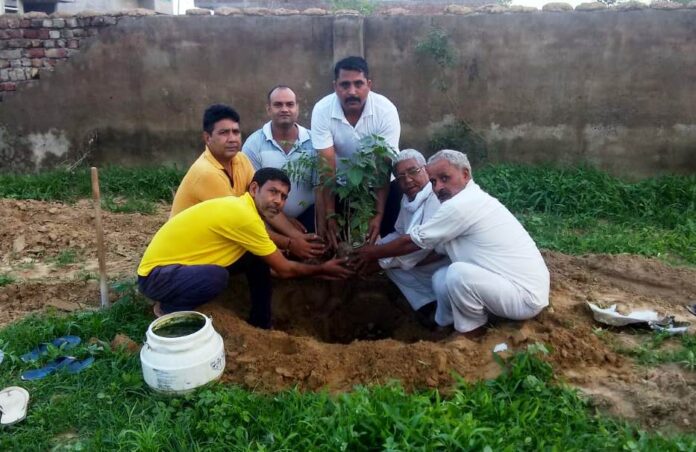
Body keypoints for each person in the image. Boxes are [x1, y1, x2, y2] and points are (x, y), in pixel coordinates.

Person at [356, 150, 549, 336]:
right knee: (442, 277)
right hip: (504, 283)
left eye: (445, 178)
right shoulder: (462, 199)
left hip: (525, 296)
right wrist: (376, 253)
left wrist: (370, 254)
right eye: (434, 181)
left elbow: (412, 243)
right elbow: (408, 237)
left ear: (465, 175)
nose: (438, 187)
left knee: (457, 274)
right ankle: (444, 325)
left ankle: (472, 330)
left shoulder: (460, 205)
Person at [138, 168, 353, 329]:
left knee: (256, 258)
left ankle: (261, 322)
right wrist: (323, 269)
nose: (278, 201)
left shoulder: (244, 210)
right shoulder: (244, 217)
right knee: (217, 277)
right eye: (273, 192)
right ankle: (169, 310)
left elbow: (273, 263)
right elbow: (284, 269)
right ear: (254, 188)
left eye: (283, 196)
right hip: (155, 277)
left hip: (177, 268)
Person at [311, 56, 401, 249]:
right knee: (336, 239)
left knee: (383, 236)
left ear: (369, 84)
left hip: (379, 182)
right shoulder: (322, 110)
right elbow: (327, 168)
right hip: (341, 184)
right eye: (345, 85)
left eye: (358, 84)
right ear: (335, 86)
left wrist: (377, 215)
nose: (352, 91)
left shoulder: (385, 110)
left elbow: (383, 167)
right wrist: (330, 214)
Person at [243, 85, 325, 260]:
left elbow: (321, 188)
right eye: (278, 105)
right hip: (267, 219)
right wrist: (285, 222)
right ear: (268, 109)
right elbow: (253, 195)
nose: (285, 109)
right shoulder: (253, 144)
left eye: (290, 104)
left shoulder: (314, 142)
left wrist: (322, 231)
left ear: (297, 108)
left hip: (308, 220)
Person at [375, 149, 448, 326]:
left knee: (392, 263)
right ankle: (429, 306)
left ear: (426, 170)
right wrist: (377, 246)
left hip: (444, 261)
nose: (407, 180)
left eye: (413, 171)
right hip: (420, 259)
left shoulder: (436, 198)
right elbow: (400, 233)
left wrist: (375, 257)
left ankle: (447, 315)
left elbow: (421, 247)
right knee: (393, 267)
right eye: (400, 176)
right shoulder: (408, 199)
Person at [170, 104, 254, 217]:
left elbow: (261, 201)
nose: (232, 139)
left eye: (236, 132)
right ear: (207, 138)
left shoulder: (242, 159)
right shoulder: (206, 172)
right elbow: (235, 220)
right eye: (224, 133)